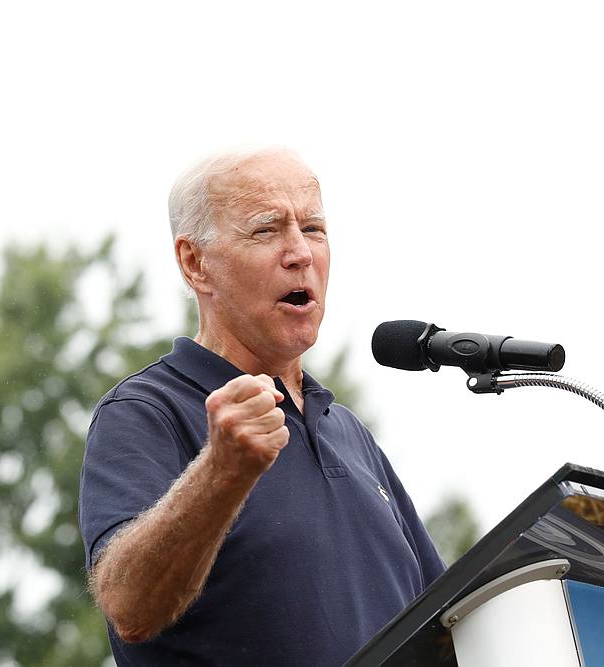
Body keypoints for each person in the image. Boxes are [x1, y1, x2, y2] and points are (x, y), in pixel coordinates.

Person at [78, 148, 445, 666]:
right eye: (266, 231)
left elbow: (448, 621)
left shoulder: (347, 432)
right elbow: (129, 606)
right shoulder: (145, 411)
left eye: (314, 229)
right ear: (195, 262)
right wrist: (221, 471)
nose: (300, 253)